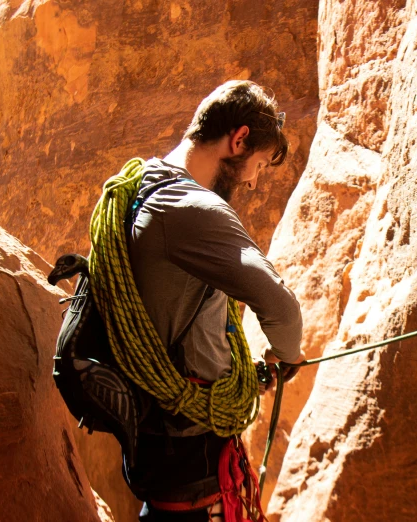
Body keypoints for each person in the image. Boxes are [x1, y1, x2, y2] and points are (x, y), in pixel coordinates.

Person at [123, 80, 306, 521]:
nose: (254, 180)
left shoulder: (142, 186)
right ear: (238, 139)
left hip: (157, 436)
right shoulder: (187, 208)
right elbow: (279, 305)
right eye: (258, 164)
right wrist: (288, 357)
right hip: (190, 446)